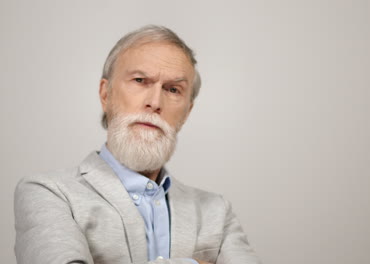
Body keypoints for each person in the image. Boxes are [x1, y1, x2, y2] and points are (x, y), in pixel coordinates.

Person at [14, 25, 261, 264]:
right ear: (105, 93)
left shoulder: (216, 210)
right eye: (140, 80)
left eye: (173, 89)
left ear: (187, 112)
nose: (154, 102)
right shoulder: (48, 193)